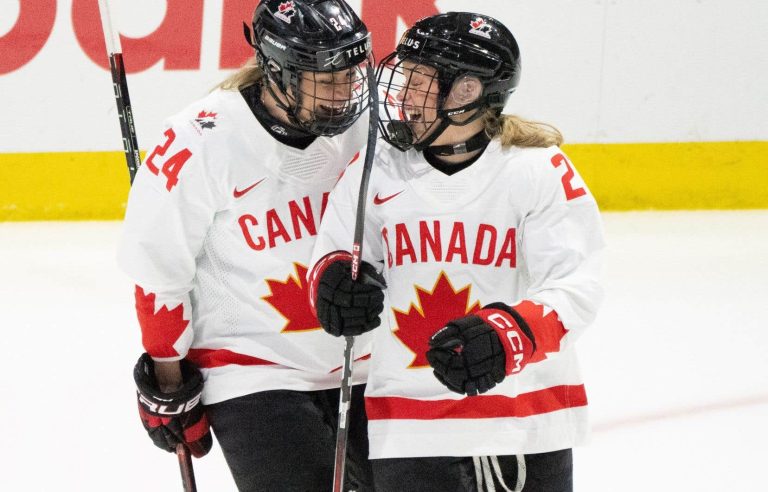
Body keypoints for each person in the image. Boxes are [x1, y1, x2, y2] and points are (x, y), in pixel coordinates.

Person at [308, 11, 605, 492]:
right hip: (409, 425)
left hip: (525, 418)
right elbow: (335, 255)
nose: (402, 95)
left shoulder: (537, 169)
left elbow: (577, 285)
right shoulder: (376, 168)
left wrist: (512, 333)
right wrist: (334, 284)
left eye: (418, 81)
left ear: (465, 92)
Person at [117, 1, 377, 490]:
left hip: (365, 361)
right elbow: (159, 274)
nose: (343, 93)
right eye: (325, 78)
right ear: (277, 70)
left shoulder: (367, 128)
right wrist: (168, 383)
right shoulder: (199, 140)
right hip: (252, 371)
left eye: (349, 73)